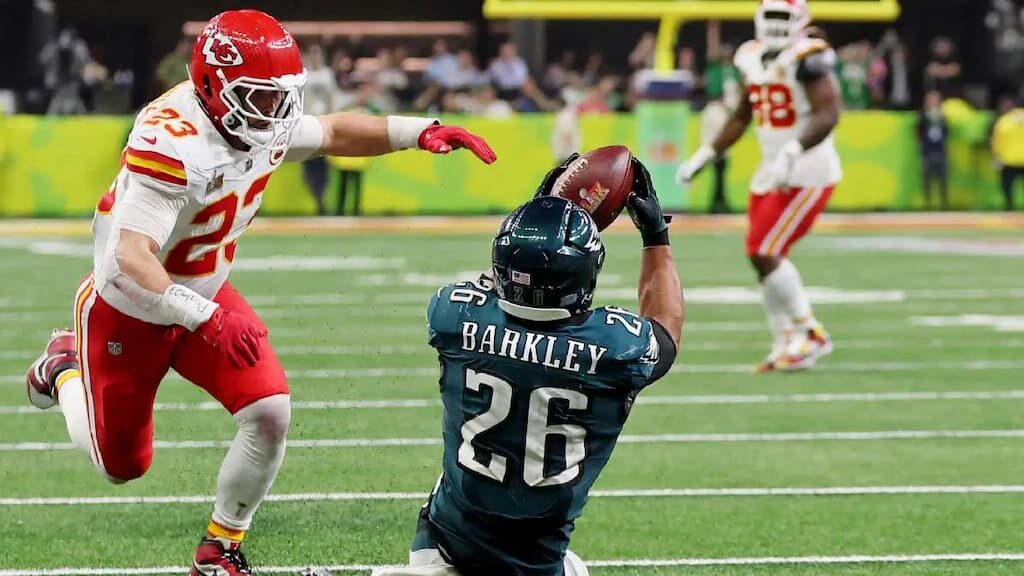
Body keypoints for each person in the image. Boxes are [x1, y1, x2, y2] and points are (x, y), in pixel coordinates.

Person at [23, 10, 496, 576]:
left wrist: (419, 131)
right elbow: (130, 257)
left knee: (270, 412)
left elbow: (333, 133)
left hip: (204, 290)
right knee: (120, 466)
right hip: (129, 305)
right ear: (213, 86)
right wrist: (204, 317)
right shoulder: (173, 140)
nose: (275, 110)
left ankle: (219, 549)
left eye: (281, 94)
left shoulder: (254, 117)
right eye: (260, 95)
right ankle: (63, 368)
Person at [300, 155, 680, 576]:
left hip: (443, 542)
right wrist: (655, 234)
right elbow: (666, 328)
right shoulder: (617, 348)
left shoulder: (453, 314)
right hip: (535, 560)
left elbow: (497, 283)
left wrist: (537, 211)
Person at [676, 0, 840, 372]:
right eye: (773, 16)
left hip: (808, 168)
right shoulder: (750, 56)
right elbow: (742, 114)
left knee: (764, 250)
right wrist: (707, 153)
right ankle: (785, 340)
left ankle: (809, 332)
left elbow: (829, 112)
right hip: (771, 169)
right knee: (763, 255)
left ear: (801, 21)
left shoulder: (809, 56)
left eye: (785, 17)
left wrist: (794, 149)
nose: (778, 24)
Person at [917, 90, 949, 210]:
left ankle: (944, 204)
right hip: (927, 151)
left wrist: (942, 119)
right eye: (931, 100)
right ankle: (927, 203)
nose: (933, 102)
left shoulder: (943, 116)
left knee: (943, 179)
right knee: (927, 178)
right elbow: (919, 132)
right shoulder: (923, 116)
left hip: (940, 150)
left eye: (935, 100)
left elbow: (947, 132)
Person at [991, 97, 1024, 211]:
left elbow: (996, 140)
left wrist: (996, 156)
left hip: (1009, 160)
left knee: (1007, 186)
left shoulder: (1004, 120)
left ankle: (1009, 207)